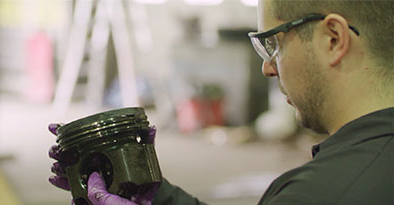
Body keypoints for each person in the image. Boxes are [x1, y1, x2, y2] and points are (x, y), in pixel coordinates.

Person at [49, 0, 394, 204]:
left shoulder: (318, 193)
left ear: (333, 39)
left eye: (273, 43)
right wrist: (159, 198)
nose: (268, 67)